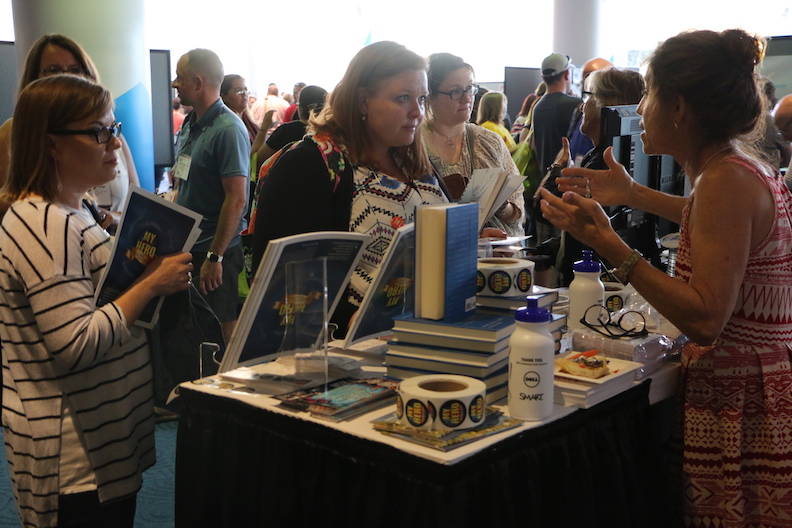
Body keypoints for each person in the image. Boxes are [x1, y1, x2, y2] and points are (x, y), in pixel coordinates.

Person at [539, 29, 792, 527]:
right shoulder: (737, 171)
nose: (641, 106)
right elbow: (715, 224)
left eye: (649, 93)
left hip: (737, 398)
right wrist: (633, 193)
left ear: (677, 106)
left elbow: (705, 318)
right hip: (753, 388)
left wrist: (610, 244)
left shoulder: (725, 179)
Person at [0, 74, 193, 528]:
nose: (113, 143)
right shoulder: (44, 223)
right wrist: (151, 284)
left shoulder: (73, 208)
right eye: (97, 132)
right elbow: (76, 344)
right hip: (73, 458)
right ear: (51, 145)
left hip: (96, 442)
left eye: (114, 129)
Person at [250, 41, 447, 334]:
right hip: (351, 353)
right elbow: (283, 283)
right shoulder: (312, 164)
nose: (417, 112)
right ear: (362, 100)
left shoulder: (412, 158)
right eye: (403, 98)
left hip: (428, 333)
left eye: (422, 99)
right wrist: (348, 320)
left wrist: (476, 241)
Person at [0, 34, 140, 226]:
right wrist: (62, 210)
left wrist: (109, 217)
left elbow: (136, 197)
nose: (68, 77)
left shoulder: (114, 137)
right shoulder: (13, 132)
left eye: (76, 70)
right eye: (53, 70)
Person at [172, 49, 250, 343]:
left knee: (222, 331)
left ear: (198, 82)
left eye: (180, 78)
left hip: (216, 252)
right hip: (190, 249)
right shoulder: (191, 125)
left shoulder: (228, 129)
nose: (175, 84)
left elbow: (237, 199)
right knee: (196, 334)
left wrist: (215, 257)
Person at [539, 67, 644, 285]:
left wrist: (558, 166)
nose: (581, 105)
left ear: (605, 103)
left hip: (589, 281)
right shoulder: (631, 155)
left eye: (587, 97)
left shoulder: (603, 163)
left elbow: (545, 206)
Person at [422, 52, 524, 237]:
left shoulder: (489, 141)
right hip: (441, 251)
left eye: (469, 88)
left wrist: (501, 207)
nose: (467, 98)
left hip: (497, 256)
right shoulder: (412, 145)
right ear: (430, 96)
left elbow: (518, 212)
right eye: (456, 91)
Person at [532, 53, 582, 243]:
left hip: (545, 188)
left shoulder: (537, 106)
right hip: (567, 191)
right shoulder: (575, 105)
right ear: (567, 74)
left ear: (544, 78)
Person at [254, 84, 327, 171]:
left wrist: (264, 128)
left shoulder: (286, 131)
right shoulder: (333, 132)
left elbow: (257, 160)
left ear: (300, 108)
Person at [221, 74, 259, 144]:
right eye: (238, 91)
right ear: (223, 96)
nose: (244, 94)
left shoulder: (247, 119)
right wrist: (264, 130)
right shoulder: (228, 125)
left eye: (245, 90)